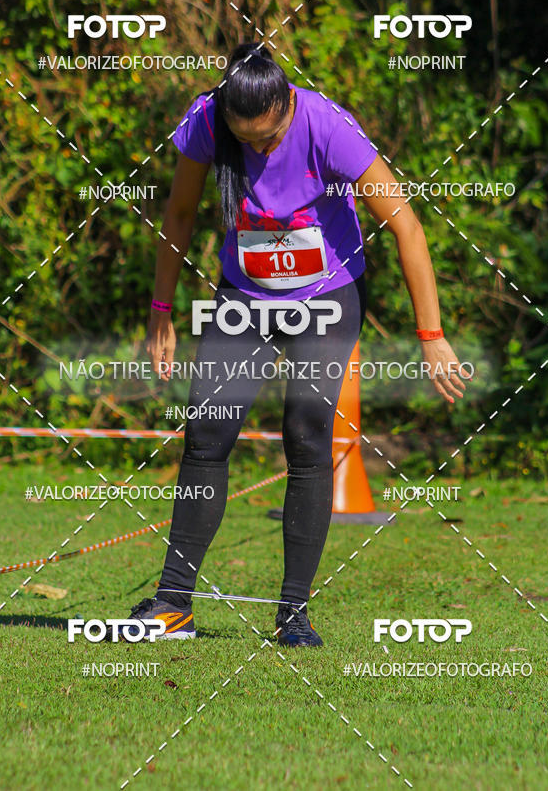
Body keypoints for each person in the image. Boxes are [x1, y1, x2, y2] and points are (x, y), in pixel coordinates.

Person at [124, 42, 472, 647]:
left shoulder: (328, 128)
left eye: (269, 139)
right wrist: (161, 311)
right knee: (207, 433)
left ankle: (292, 615)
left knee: (307, 439)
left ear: (288, 104)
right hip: (245, 294)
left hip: (327, 297)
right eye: (247, 141)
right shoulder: (208, 120)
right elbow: (178, 215)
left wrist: (432, 336)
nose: (259, 151)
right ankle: (174, 603)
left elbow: (405, 225)